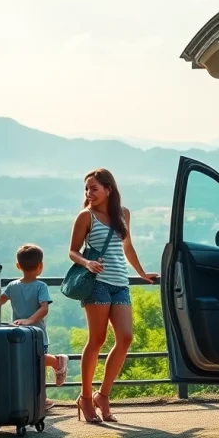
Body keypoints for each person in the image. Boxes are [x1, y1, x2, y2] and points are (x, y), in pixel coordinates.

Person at [68, 168, 158, 423]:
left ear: (109, 189)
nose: (89, 193)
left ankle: (103, 395)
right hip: (96, 283)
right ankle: (85, 398)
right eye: (87, 189)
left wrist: (141, 273)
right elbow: (73, 251)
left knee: (126, 338)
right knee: (96, 340)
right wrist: (86, 263)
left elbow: (127, 246)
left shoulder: (123, 214)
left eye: (93, 188)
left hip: (120, 283)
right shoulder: (86, 216)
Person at [0, 244, 70, 407]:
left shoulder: (32, 286)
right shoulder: (30, 286)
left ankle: (43, 395)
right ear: (41, 266)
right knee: (31, 365)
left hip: (33, 333)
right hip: (25, 333)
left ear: (18, 266)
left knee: (37, 364)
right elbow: (44, 308)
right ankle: (56, 365)